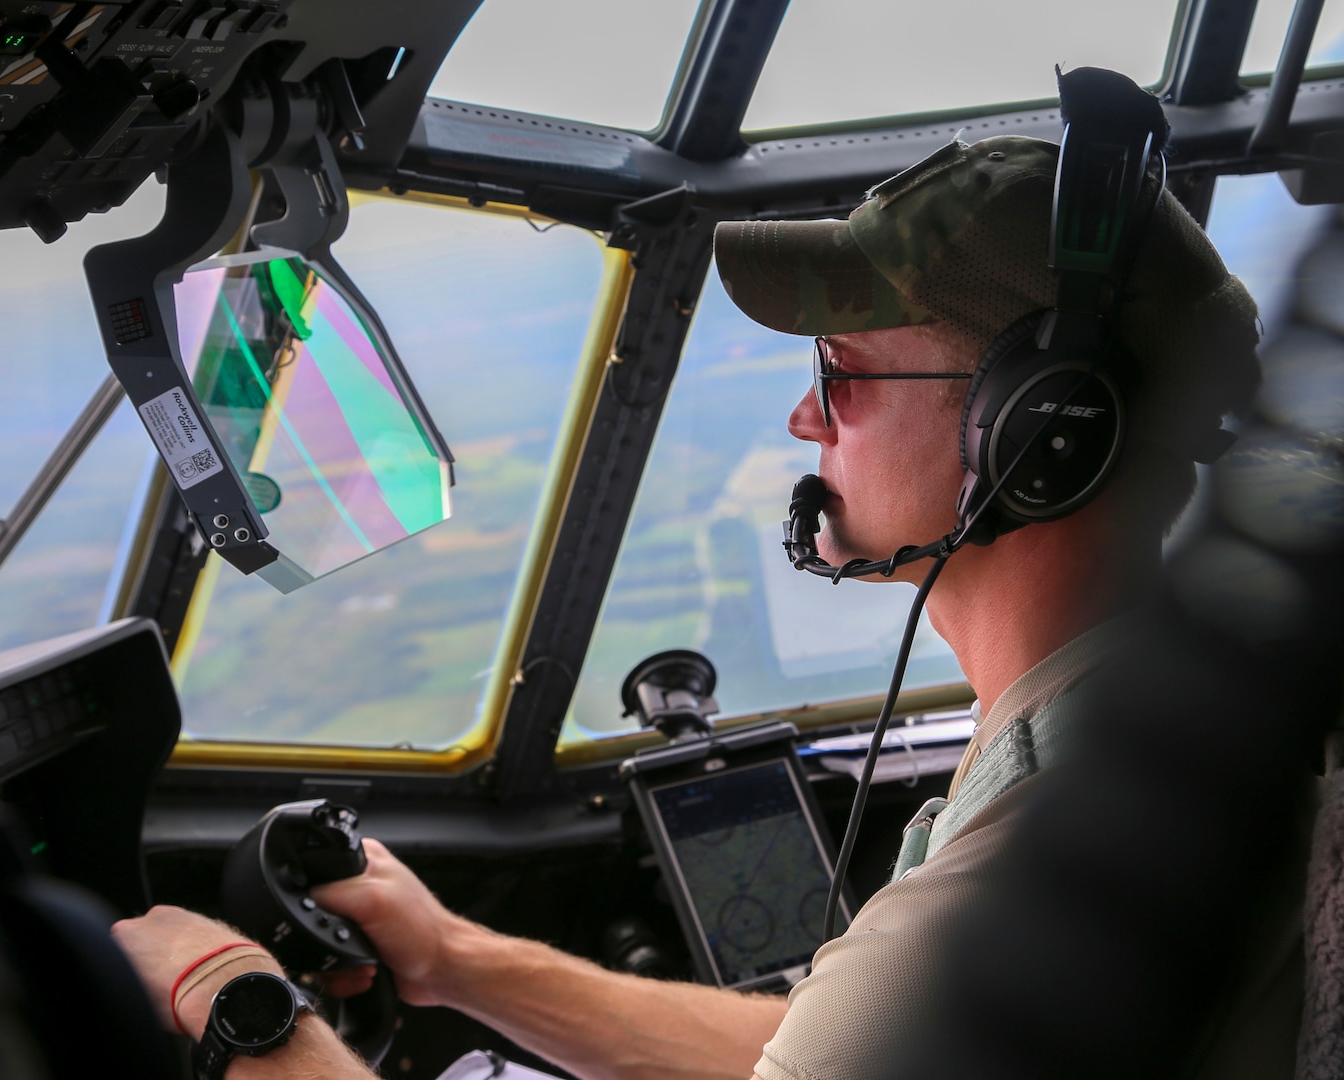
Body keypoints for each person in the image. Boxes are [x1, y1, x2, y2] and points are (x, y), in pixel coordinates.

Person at [113, 132, 1263, 1079]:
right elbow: (809, 1050)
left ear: (1036, 431)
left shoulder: (1034, 878)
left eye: (840, 373)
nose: (804, 423)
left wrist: (240, 1011)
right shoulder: (1170, 726)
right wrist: (455, 957)